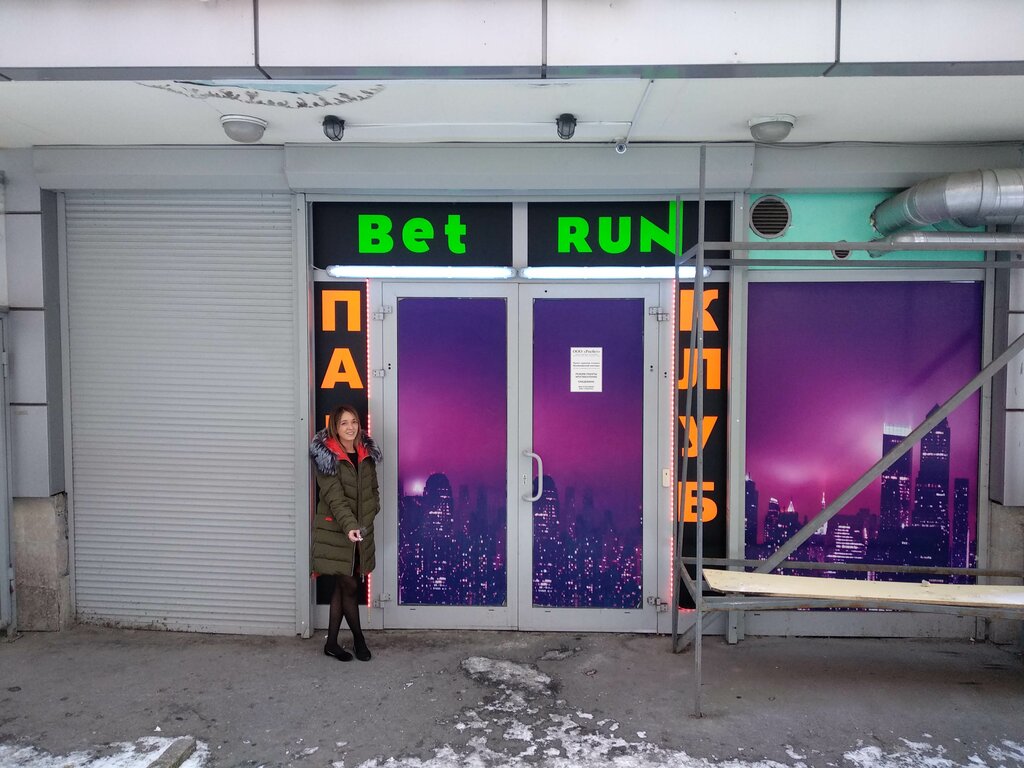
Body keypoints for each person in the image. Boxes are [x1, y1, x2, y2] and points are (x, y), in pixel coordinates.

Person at [310, 405, 381, 662]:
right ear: (335, 427)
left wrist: (369, 516)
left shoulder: (365, 453)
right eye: (343, 423)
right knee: (349, 585)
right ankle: (359, 640)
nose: (350, 427)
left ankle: (331, 643)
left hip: (359, 532)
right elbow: (334, 498)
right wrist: (351, 526)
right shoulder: (326, 457)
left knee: (342, 587)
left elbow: (373, 491)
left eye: (354, 422)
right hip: (337, 531)